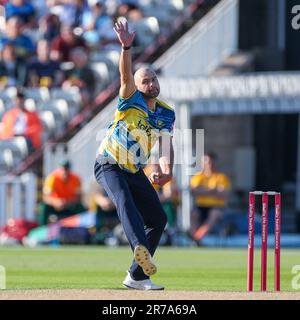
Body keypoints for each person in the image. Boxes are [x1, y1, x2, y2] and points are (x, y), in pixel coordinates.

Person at [94, 20, 175, 290]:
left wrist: (167, 170)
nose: (151, 84)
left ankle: (136, 276)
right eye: (146, 81)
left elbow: (165, 145)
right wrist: (126, 48)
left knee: (158, 218)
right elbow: (125, 76)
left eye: (153, 79)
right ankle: (140, 247)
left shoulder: (166, 112)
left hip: (133, 169)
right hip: (108, 163)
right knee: (124, 201)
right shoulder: (130, 98)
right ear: (137, 86)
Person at [190, 152, 231, 243]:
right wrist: (213, 191)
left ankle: (197, 237)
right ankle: (195, 237)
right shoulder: (198, 177)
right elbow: (194, 192)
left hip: (217, 206)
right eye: (207, 162)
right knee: (194, 213)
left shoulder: (221, 177)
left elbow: (224, 194)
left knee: (214, 214)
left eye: (211, 162)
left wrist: (204, 191)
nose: (209, 165)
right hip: (200, 206)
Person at [38, 160, 86, 226]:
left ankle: (83, 228)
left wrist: (68, 202)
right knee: (44, 207)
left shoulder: (76, 179)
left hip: (70, 205)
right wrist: (55, 202)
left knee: (81, 208)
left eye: (66, 169)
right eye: (63, 169)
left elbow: (79, 197)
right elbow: (46, 197)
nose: (65, 172)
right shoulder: (52, 178)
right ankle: (43, 228)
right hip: (55, 206)